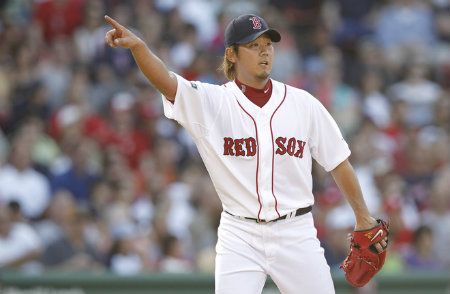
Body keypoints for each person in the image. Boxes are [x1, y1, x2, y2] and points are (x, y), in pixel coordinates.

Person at [104, 13, 388, 294]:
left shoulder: (303, 104)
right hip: (240, 234)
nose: (264, 51)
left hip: (296, 231)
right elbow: (166, 81)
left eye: (268, 44)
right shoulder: (212, 102)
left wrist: (363, 216)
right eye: (254, 45)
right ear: (231, 54)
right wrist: (140, 49)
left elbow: (338, 163)